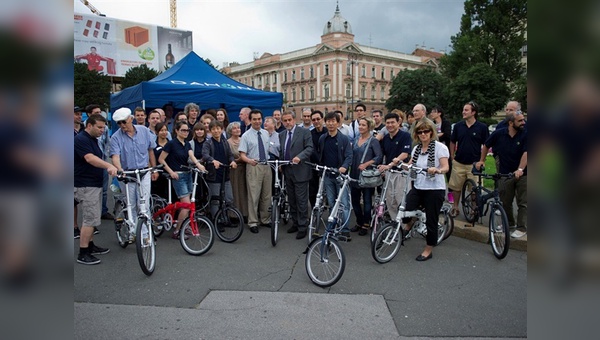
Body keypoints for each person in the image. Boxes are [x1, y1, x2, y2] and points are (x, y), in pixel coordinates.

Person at [401, 119, 450, 261]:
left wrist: (438, 170)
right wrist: (399, 164)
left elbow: (445, 167)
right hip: (419, 186)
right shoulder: (416, 149)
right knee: (405, 210)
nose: (423, 134)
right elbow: (410, 164)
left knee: (431, 220)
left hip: (434, 189)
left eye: (426, 131)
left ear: (431, 132)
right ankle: (409, 224)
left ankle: (429, 249)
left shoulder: (440, 147)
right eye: (420, 131)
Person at [476, 111, 527, 238]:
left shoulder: (526, 133)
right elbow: (486, 145)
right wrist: (482, 160)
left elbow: (527, 153)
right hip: (504, 173)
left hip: (524, 173)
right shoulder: (499, 134)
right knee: (505, 201)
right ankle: (509, 224)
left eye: (523, 120)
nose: (523, 123)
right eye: (520, 121)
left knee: (524, 202)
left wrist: (520, 169)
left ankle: (522, 228)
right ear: (510, 123)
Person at [74, 114, 118, 265]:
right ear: (89, 126)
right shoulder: (81, 139)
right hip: (86, 185)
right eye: (99, 127)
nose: (102, 130)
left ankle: (91, 246)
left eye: (103, 127)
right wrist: (109, 165)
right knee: (89, 218)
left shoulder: (92, 139)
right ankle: (83, 252)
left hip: (94, 184)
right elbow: (89, 158)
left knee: (93, 218)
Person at [109, 108, 158, 227]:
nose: (122, 125)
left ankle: (145, 234)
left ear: (131, 119)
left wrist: (154, 169)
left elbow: (150, 150)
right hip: (128, 173)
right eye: (119, 123)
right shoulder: (115, 137)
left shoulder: (144, 131)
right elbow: (115, 156)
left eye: (124, 122)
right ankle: (133, 229)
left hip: (144, 171)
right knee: (131, 204)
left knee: (144, 204)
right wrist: (120, 170)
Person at [158, 121, 206, 239]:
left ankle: (184, 225)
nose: (185, 132)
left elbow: (191, 156)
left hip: (187, 174)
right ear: (176, 131)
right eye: (183, 130)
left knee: (188, 204)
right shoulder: (171, 144)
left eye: (187, 130)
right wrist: (171, 172)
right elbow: (161, 159)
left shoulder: (187, 144)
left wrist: (198, 164)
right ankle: (177, 231)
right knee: (186, 205)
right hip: (178, 176)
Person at [448, 101, 489, 217]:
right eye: (463, 109)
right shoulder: (458, 126)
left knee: (474, 190)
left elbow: (486, 145)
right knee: (456, 187)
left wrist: (482, 160)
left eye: (466, 110)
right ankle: (455, 207)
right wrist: (452, 156)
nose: (463, 112)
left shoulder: (482, 127)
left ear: (473, 112)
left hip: (474, 163)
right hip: (459, 162)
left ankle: (474, 208)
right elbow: (452, 141)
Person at [318, 111, 353, 240]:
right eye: (328, 121)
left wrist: (344, 167)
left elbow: (349, 155)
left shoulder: (343, 139)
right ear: (325, 122)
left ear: (338, 123)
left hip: (340, 176)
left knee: (344, 203)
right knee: (332, 202)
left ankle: (345, 229)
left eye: (333, 121)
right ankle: (333, 225)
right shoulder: (323, 138)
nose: (331, 124)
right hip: (327, 176)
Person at [279, 111, 314, 239]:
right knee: (292, 199)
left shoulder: (304, 132)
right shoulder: (282, 134)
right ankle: (295, 222)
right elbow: (282, 151)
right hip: (288, 171)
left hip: (301, 171)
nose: (288, 122)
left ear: (294, 119)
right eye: (285, 121)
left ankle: (303, 226)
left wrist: (299, 157)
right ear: (282, 122)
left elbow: (310, 148)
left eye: (289, 120)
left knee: (301, 200)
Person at [239, 109, 272, 234]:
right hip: (254, 166)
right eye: (255, 119)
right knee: (254, 195)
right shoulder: (246, 135)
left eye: (259, 119)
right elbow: (242, 154)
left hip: (266, 166)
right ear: (251, 120)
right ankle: (253, 222)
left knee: (266, 195)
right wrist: (249, 161)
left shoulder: (265, 133)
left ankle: (265, 219)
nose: (257, 121)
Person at [376, 112, 412, 221]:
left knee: (400, 200)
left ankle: (405, 225)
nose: (390, 125)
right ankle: (395, 224)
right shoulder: (386, 138)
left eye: (392, 122)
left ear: (398, 123)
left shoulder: (405, 136)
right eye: (387, 123)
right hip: (389, 173)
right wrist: (381, 166)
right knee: (390, 200)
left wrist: (390, 165)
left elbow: (405, 154)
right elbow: (383, 155)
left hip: (402, 174)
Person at [349, 117, 382, 236]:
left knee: (367, 201)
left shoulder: (373, 141)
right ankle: (359, 221)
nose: (360, 127)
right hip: (354, 173)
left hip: (367, 175)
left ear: (369, 127)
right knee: (355, 200)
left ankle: (366, 223)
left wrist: (366, 164)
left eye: (363, 125)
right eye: (360, 125)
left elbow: (378, 157)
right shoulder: (357, 138)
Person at [202, 121, 237, 217]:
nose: (216, 131)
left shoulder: (225, 142)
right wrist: (213, 160)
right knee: (215, 200)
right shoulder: (208, 143)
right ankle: (216, 220)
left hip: (225, 174)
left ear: (222, 130)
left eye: (218, 128)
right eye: (213, 129)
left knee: (229, 198)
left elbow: (230, 155)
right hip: (214, 176)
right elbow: (205, 155)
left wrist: (232, 161)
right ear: (210, 130)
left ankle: (226, 218)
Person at [85, 104, 113, 220]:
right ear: (89, 115)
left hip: (102, 159)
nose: (99, 114)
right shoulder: (86, 127)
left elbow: (107, 142)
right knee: (91, 189)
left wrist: (105, 156)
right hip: (89, 161)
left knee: (104, 188)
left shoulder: (105, 128)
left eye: (100, 112)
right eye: (96, 112)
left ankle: (103, 210)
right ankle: (91, 213)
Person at [429, 106, 453, 201]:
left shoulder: (446, 123)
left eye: (433, 112)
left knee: (448, 172)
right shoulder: (432, 124)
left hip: (445, 151)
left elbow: (447, 135)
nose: (431, 114)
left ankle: (451, 193)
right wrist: (439, 135)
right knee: (434, 170)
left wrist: (435, 137)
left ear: (439, 113)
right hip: (434, 151)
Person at [227, 122, 249, 222]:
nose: (237, 130)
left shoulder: (244, 140)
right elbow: (228, 157)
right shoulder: (227, 142)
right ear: (230, 131)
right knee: (235, 191)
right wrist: (238, 160)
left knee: (244, 190)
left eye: (238, 128)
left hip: (245, 168)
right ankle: (234, 215)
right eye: (234, 128)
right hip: (234, 170)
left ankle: (245, 213)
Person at [308, 110, 327, 208]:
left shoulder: (328, 132)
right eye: (314, 120)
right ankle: (313, 209)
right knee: (312, 190)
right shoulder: (310, 134)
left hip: (327, 165)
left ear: (322, 119)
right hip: (313, 165)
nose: (316, 121)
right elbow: (311, 149)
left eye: (318, 119)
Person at [151, 123, 170, 200]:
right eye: (161, 130)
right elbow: (150, 158)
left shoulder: (171, 143)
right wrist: (153, 171)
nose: (164, 132)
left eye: (165, 130)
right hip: (158, 173)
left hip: (169, 172)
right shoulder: (153, 144)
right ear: (156, 132)